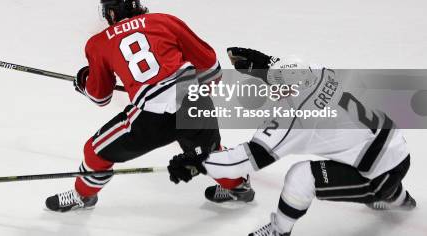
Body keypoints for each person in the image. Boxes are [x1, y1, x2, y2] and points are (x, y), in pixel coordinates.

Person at [45, 0, 253, 212]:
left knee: (95, 151)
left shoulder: (99, 43)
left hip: (156, 118)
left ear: (112, 12)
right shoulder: (166, 21)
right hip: (197, 98)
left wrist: (83, 82)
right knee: (206, 154)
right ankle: (238, 186)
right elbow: (212, 68)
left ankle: (83, 196)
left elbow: (101, 97)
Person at [167, 47, 416, 235]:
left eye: (279, 89)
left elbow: (246, 159)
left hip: (378, 175)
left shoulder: (293, 119)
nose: (275, 93)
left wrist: (200, 162)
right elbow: (292, 74)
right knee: (361, 157)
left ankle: (279, 231)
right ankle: (399, 199)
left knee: (301, 176)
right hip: (396, 147)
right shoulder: (319, 72)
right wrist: (267, 65)